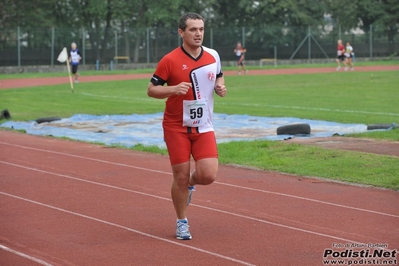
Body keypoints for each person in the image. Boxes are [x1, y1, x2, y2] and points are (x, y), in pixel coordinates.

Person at [147, 12, 227, 240]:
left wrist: (220, 87)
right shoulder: (169, 60)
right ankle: (182, 221)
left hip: (204, 125)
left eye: (201, 29)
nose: (198, 33)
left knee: (208, 175)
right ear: (181, 32)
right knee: (179, 176)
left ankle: (191, 184)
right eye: (193, 29)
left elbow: (219, 76)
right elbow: (151, 89)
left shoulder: (213, 55)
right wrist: (172, 89)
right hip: (176, 127)